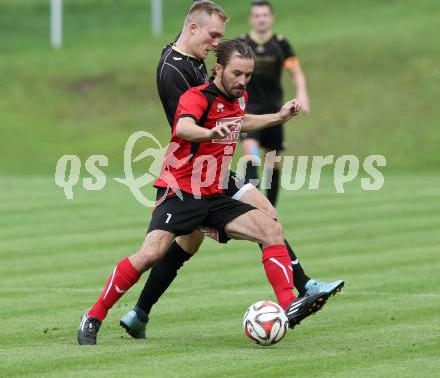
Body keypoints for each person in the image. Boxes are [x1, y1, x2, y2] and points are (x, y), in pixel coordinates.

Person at [119, 0, 343, 339]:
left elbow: (200, 21)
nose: (216, 43)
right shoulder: (177, 76)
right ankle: (302, 287)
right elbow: (190, 126)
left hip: (213, 168)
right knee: (181, 243)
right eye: (214, 38)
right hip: (195, 174)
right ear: (194, 32)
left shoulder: (186, 50)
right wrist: (224, 126)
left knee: (216, 234)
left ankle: (139, 314)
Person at [77, 40, 329, 345]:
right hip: (181, 191)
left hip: (214, 194)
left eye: (248, 76)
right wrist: (210, 132)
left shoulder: (239, 97)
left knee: (271, 228)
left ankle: (289, 304)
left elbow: (241, 121)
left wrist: (278, 117)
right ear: (219, 68)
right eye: (237, 74)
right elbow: (183, 128)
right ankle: (93, 316)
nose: (242, 81)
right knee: (151, 254)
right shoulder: (196, 98)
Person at [239, 0, 310, 206]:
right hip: (249, 111)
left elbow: (295, 71)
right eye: (257, 15)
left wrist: (302, 93)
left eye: (264, 15)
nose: (261, 19)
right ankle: (253, 208)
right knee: (251, 156)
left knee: (273, 163)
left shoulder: (281, 43)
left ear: (271, 18)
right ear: (250, 19)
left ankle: (271, 210)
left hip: (274, 112)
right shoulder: (242, 44)